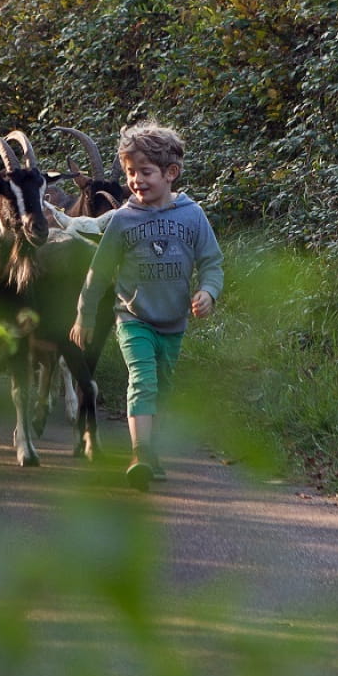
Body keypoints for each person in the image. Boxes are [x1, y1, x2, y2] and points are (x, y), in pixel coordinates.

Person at [71, 121, 224, 491]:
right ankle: (140, 454)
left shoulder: (192, 215)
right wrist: (84, 314)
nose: (136, 180)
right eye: (130, 172)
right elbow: (99, 272)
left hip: (173, 321)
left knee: (163, 388)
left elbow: (212, 263)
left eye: (145, 172)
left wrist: (208, 293)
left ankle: (152, 449)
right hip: (132, 317)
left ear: (170, 173)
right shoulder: (122, 220)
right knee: (141, 380)